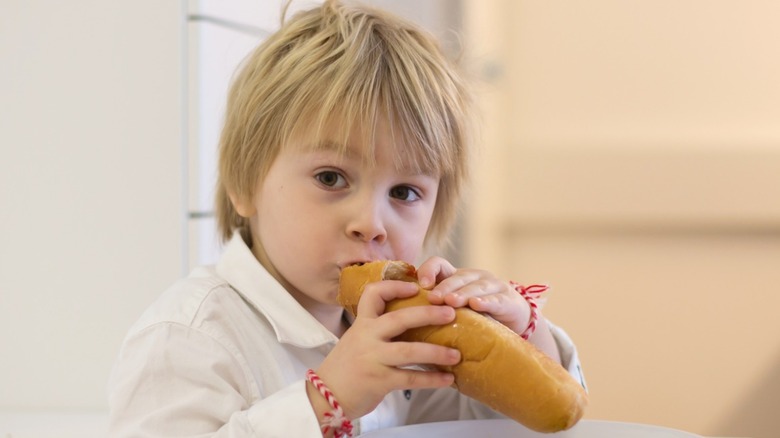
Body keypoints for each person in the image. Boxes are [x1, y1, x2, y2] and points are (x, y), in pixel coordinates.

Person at [107, 1, 586, 436]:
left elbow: (487, 427)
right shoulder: (188, 337)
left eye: (404, 192)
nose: (371, 223)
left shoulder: (389, 330)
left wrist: (520, 331)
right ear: (245, 185)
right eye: (331, 178)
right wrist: (324, 400)